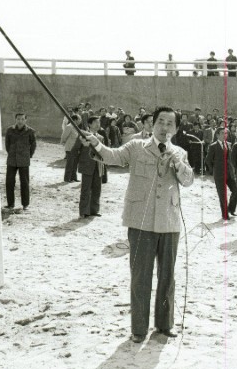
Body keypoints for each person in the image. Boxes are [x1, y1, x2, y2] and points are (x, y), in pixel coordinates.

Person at [81, 106, 194, 342]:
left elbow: (188, 180)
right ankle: (139, 329)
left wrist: (178, 164)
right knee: (140, 277)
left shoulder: (179, 152)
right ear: (151, 124)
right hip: (140, 220)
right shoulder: (136, 147)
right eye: (160, 122)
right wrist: (96, 144)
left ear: (176, 129)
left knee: (167, 277)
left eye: (170, 124)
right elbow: (113, 156)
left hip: (169, 223)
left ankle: (164, 325)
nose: (164, 127)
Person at [204, 126, 237, 220]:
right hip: (219, 174)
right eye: (222, 133)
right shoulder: (213, 146)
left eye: (226, 133)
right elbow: (207, 160)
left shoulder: (229, 144)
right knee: (222, 195)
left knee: (236, 191)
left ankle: (231, 209)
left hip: (230, 173)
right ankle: (225, 214)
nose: (224, 135)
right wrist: (213, 171)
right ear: (217, 134)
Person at [5, 113, 37, 210]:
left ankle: (25, 204)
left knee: (24, 182)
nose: (20, 121)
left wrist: (28, 155)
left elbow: (33, 145)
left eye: (22, 119)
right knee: (9, 182)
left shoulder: (30, 131)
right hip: (12, 160)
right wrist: (11, 153)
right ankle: (10, 204)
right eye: (18, 119)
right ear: (15, 119)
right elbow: (7, 144)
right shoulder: (10, 130)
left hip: (24, 160)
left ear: (25, 120)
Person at [78, 116, 105, 218]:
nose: (98, 125)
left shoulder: (101, 137)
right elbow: (77, 149)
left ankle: (94, 210)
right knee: (86, 189)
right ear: (89, 124)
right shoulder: (83, 135)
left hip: (98, 166)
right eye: (95, 122)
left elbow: (104, 152)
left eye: (99, 122)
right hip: (87, 165)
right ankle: (84, 211)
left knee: (97, 188)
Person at [61, 114, 82, 182]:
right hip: (70, 147)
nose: (80, 120)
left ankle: (73, 177)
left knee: (75, 163)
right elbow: (64, 136)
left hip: (76, 148)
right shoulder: (69, 126)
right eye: (79, 119)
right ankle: (67, 178)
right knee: (70, 163)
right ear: (75, 120)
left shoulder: (76, 127)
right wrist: (64, 143)